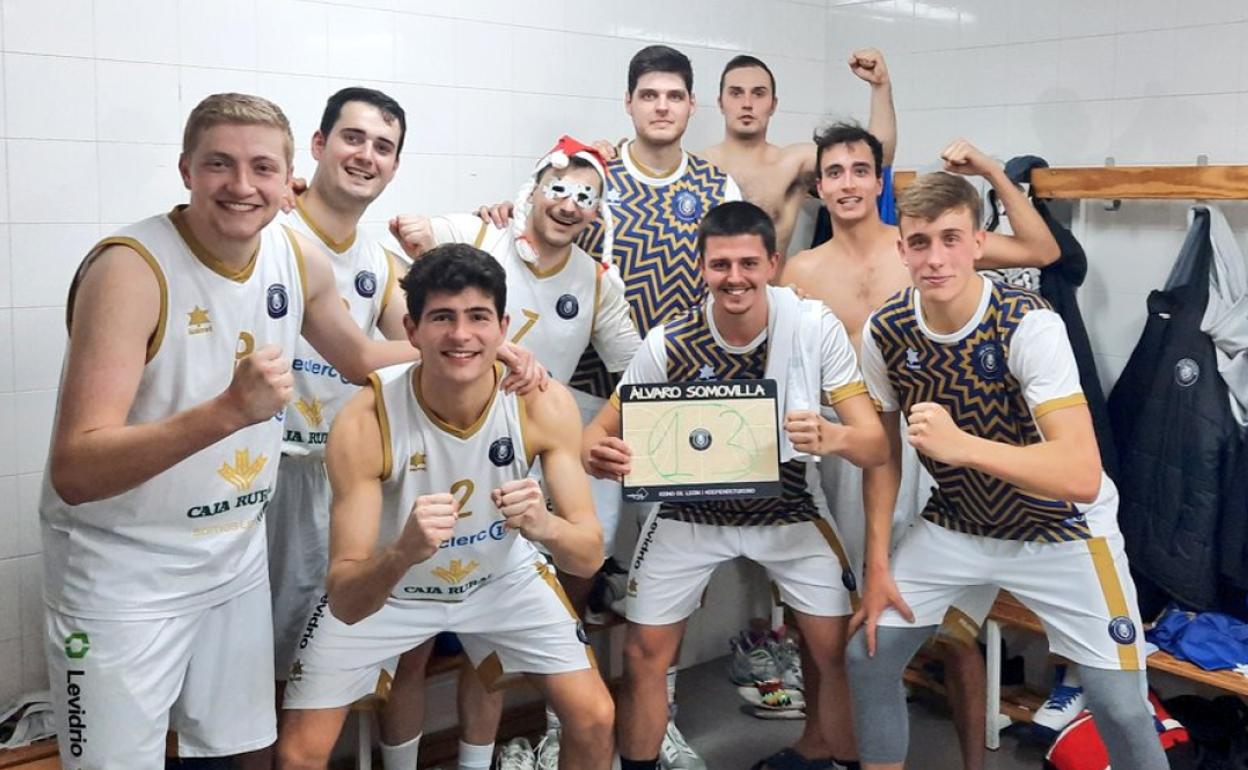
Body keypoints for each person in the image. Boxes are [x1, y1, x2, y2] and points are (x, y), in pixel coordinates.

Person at [39, 92, 418, 770]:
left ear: (287, 178)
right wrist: (226, 413)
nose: (242, 186)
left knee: (245, 749)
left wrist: (472, 348)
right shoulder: (130, 269)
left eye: (262, 169)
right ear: (186, 168)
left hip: (231, 561)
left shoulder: (295, 258)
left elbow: (360, 358)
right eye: (220, 164)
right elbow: (76, 468)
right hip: (125, 574)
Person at [845, 172, 1169, 770]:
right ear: (902, 249)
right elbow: (885, 453)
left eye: (950, 239)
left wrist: (962, 445)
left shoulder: (1028, 323)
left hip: (1063, 531)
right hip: (958, 525)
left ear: (979, 243)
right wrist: (879, 565)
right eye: (920, 243)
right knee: (868, 657)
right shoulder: (885, 329)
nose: (935, 258)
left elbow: (1081, 474)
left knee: (1120, 709)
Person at [268, 86, 544, 770]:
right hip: (267, 473)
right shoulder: (274, 233)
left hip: (350, 473)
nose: (366, 155)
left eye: (383, 147)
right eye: (354, 138)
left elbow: (420, 339)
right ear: (320, 144)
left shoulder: (372, 258)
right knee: (266, 669)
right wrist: (485, 345)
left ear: (395, 166)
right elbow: (375, 356)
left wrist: (496, 351)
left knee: (338, 656)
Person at [779, 129, 1061, 770]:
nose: (848, 183)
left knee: (955, 635)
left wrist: (988, 164)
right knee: (846, 613)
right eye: (834, 172)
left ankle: (972, 762)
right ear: (819, 186)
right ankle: (831, 744)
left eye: (861, 169)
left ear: (880, 182)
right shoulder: (801, 270)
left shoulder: (923, 245)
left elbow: (1043, 249)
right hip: (842, 449)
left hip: (929, 441)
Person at [276, 245, 616, 770]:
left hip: (501, 578)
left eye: (478, 317)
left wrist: (544, 524)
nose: (461, 336)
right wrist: (401, 553)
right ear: (411, 330)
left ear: (503, 327)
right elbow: (345, 599)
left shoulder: (541, 401)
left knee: (594, 717)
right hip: (393, 592)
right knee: (299, 754)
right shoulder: (366, 418)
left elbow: (588, 556)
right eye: (442, 318)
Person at [584, 201, 888, 770]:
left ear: (773, 263)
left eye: (748, 263)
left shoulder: (812, 327)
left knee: (831, 651)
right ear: (702, 268)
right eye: (720, 264)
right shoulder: (669, 342)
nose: (735, 277)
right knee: (645, 651)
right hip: (688, 513)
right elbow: (599, 431)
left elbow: (874, 444)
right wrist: (599, 453)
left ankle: (831, 756)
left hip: (789, 507)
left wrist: (832, 436)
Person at [387, 136, 642, 769]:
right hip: (438, 453)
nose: (568, 204)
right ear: (531, 191)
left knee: (488, 646)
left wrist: (596, 430)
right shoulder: (479, 232)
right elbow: (397, 257)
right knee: (411, 646)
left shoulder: (596, 282)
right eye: (558, 188)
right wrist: (414, 233)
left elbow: (638, 369)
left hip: (524, 469)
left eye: (585, 196)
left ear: (597, 213)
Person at [698, 49, 896, 257]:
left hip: (771, 289)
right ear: (720, 102)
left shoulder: (793, 164)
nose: (747, 103)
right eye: (736, 93)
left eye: (758, 93)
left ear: (773, 104)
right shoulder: (698, 167)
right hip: (704, 290)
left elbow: (878, 157)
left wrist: (880, 86)